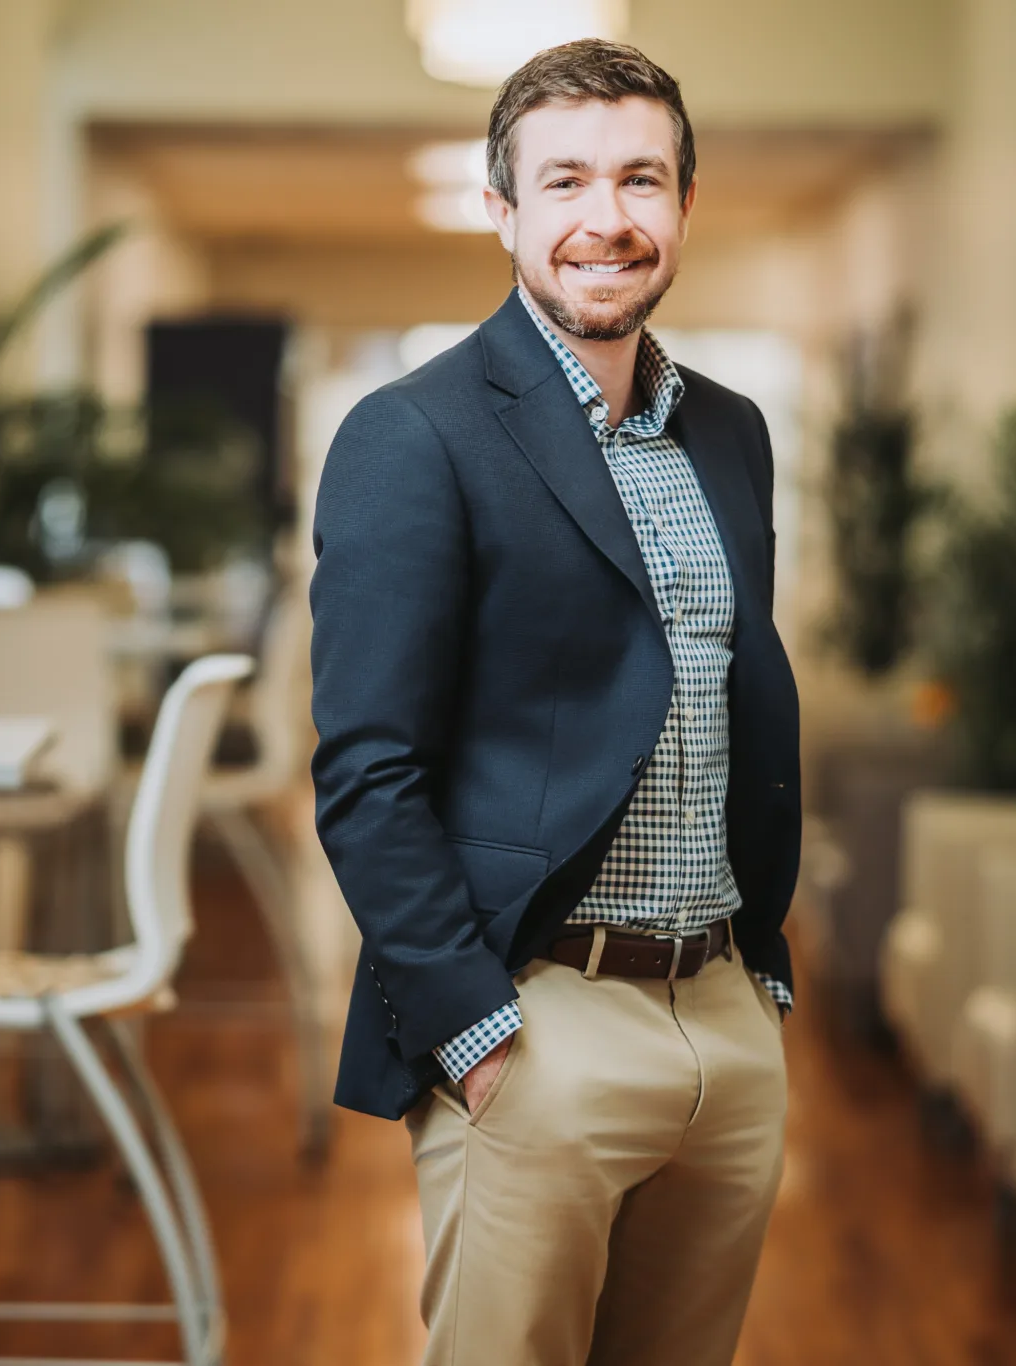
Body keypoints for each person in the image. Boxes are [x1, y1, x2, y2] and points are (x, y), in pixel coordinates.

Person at [309, 38, 800, 1366]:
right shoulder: (414, 435)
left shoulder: (732, 434)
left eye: (642, 179)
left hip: (722, 1018)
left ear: (686, 205)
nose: (607, 218)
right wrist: (479, 1036)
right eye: (566, 179)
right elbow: (367, 771)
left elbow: (732, 686)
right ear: (503, 209)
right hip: (541, 1016)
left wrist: (760, 975)